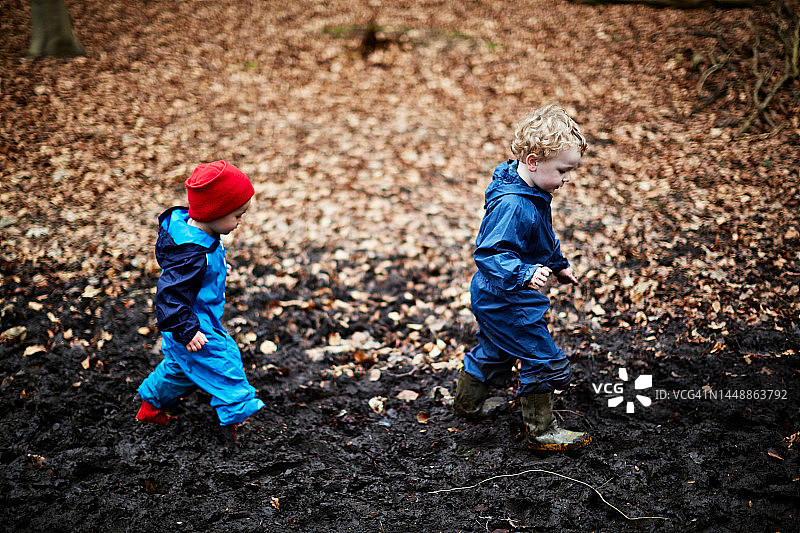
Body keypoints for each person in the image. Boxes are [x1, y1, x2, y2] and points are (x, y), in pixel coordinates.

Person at [453, 105, 591, 451]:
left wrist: (557, 264)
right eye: (562, 170)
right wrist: (526, 272)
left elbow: (539, 236)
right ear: (533, 161)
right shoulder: (514, 204)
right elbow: (489, 253)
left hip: (498, 294)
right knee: (543, 359)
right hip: (506, 298)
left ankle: (467, 403)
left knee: (497, 350)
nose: (566, 179)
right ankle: (542, 433)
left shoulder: (531, 192)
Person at [136, 160, 265, 436]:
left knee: (179, 369)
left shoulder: (198, 236)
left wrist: (215, 271)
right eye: (237, 215)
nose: (240, 222)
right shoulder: (192, 255)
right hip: (192, 325)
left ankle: (150, 407)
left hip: (189, 324)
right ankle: (238, 421)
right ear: (214, 211)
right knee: (225, 361)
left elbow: (196, 274)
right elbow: (170, 295)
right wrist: (187, 329)